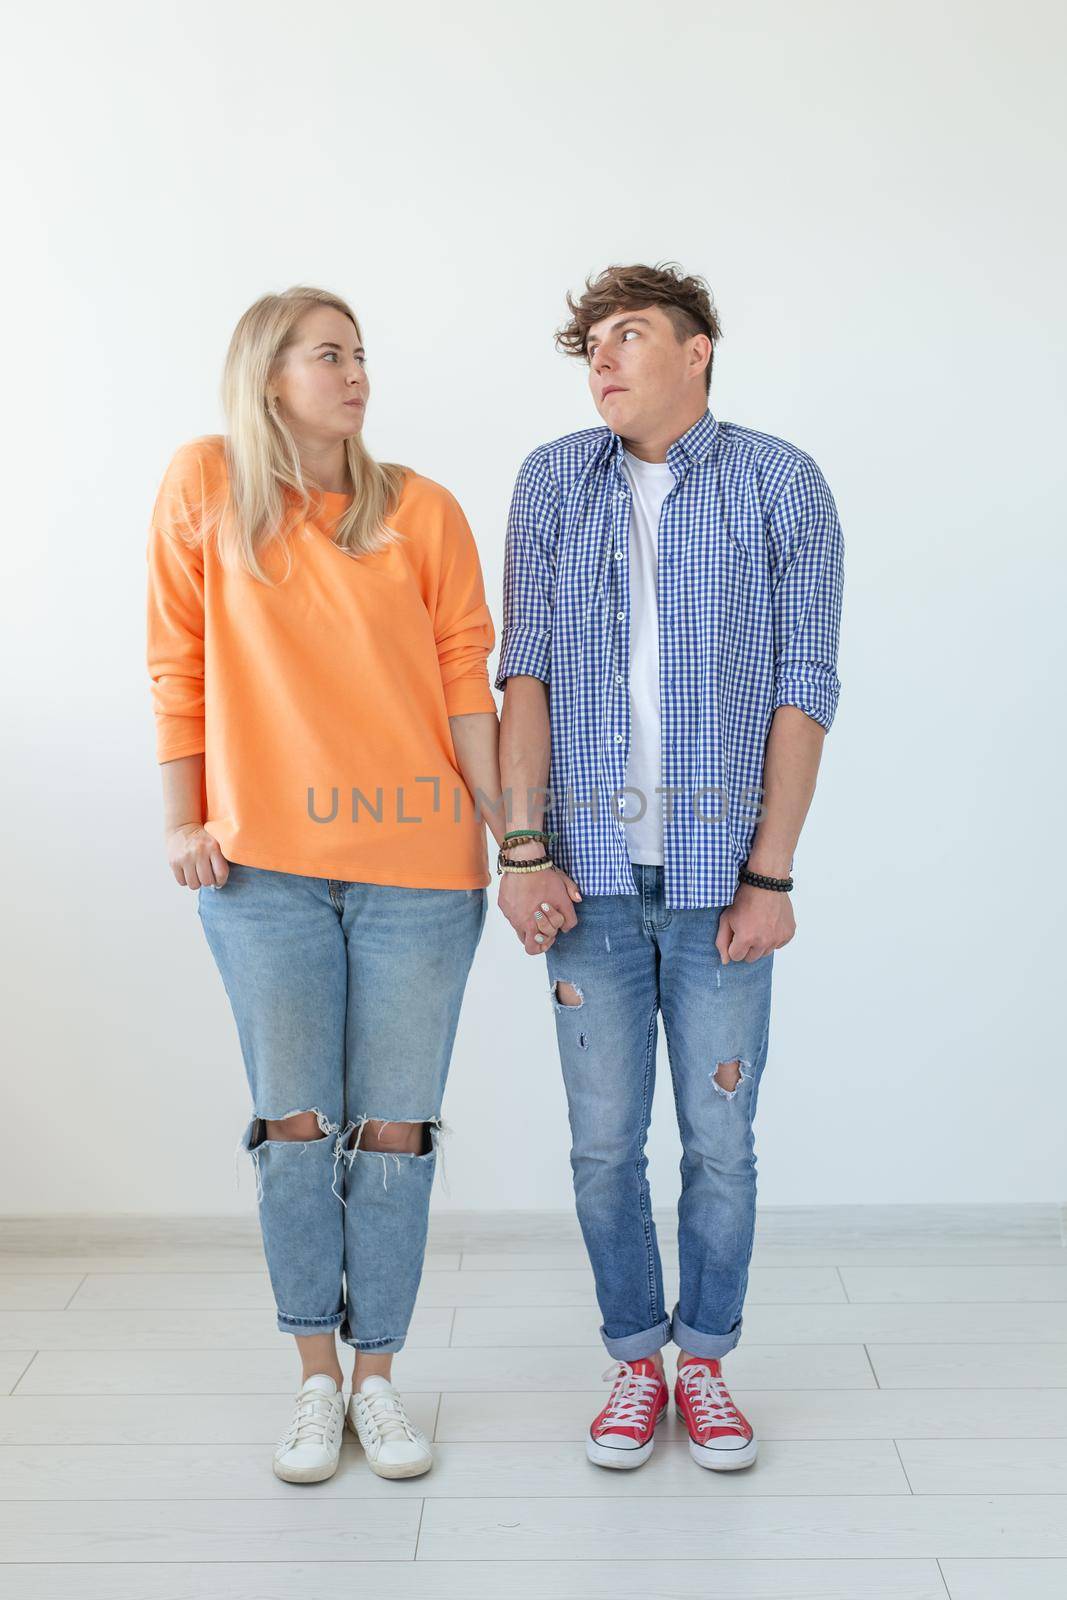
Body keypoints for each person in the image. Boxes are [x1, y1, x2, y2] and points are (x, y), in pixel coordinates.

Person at [145, 285, 503, 1484]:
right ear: (267, 377)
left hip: (418, 867)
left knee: (392, 1134)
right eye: (328, 354)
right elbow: (175, 657)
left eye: (361, 355)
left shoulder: (425, 511)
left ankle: (379, 1383)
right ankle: (312, 1379)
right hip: (263, 873)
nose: (355, 375)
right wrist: (182, 813)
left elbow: (466, 685)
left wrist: (516, 836)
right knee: (294, 1128)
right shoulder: (205, 485)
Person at [495, 261, 844, 1472]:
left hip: (718, 883)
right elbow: (521, 673)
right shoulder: (550, 481)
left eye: (627, 334)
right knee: (602, 1143)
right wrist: (523, 847)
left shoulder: (778, 482)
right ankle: (631, 1362)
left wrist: (773, 874)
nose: (600, 357)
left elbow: (807, 685)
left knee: (720, 1141)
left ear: (697, 350)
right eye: (589, 341)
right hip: (583, 878)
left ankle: (704, 1364)